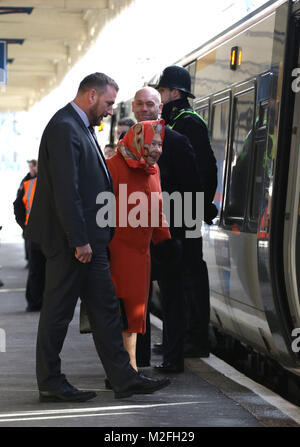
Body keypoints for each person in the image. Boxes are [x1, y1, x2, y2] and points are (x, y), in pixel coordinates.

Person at [25, 72, 170, 402]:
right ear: (91, 96)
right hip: (71, 242)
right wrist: (78, 240)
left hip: (91, 240)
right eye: (107, 103)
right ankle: (50, 381)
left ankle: (123, 377)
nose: (109, 111)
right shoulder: (65, 127)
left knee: (106, 308)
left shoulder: (81, 127)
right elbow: (67, 190)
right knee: (58, 311)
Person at [132, 87, 203, 372]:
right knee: (138, 298)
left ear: (159, 108)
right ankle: (141, 357)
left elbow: (193, 188)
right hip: (136, 235)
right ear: (134, 108)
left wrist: (184, 237)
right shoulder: (128, 141)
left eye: (150, 104)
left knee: (172, 298)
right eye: (139, 104)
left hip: (169, 235)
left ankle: (174, 360)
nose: (144, 108)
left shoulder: (177, 142)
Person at [155, 65, 218, 363]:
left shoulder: (188, 123)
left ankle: (195, 338)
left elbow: (206, 168)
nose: (159, 96)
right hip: (176, 210)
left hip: (187, 211)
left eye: (162, 91)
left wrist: (200, 207)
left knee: (190, 274)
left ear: (175, 93)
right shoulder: (172, 121)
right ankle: (178, 339)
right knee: (175, 277)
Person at [107, 120, 178, 374]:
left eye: (160, 144)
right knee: (122, 312)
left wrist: (164, 240)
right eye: (152, 143)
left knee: (136, 313)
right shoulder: (112, 167)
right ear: (138, 141)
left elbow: (157, 210)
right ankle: (125, 369)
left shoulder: (153, 170)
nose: (157, 149)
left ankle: (129, 368)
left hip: (141, 254)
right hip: (117, 251)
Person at [13, 166, 46, 311]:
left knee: (35, 269)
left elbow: (17, 206)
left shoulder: (28, 184)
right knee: (48, 270)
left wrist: (25, 228)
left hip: (34, 234)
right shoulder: (58, 183)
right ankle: (41, 301)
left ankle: (34, 301)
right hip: (49, 235)